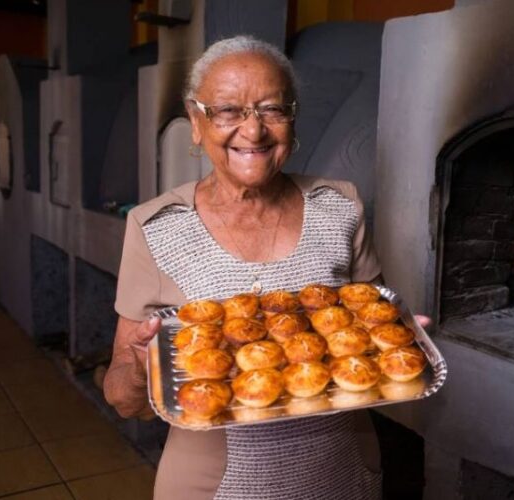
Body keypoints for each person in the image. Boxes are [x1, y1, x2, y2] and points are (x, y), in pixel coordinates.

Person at [103, 35, 384, 499]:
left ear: (292, 121)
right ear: (196, 123)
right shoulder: (154, 228)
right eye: (228, 111)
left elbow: (374, 327)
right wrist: (137, 368)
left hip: (340, 469)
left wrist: (401, 331)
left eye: (272, 109)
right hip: (214, 485)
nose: (253, 132)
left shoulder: (341, 208)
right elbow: (122, 398)